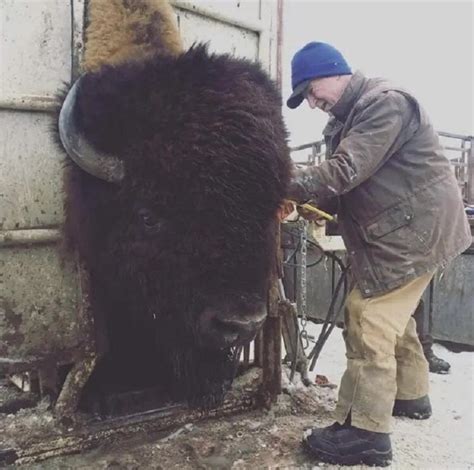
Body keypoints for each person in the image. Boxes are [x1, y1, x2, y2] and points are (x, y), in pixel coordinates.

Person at [286, 41, 471, 467]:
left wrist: (276, 179)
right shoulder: (346, 119)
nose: (314, 104)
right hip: (405, 231)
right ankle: (410, 395)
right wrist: (303, 201)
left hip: (417, 234)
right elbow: (342, 189)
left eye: (313, 92)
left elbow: (345, 171)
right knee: (394, 319)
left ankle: (366, 433)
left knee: (368, 316)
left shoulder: (383, 105)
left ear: (335, 72)